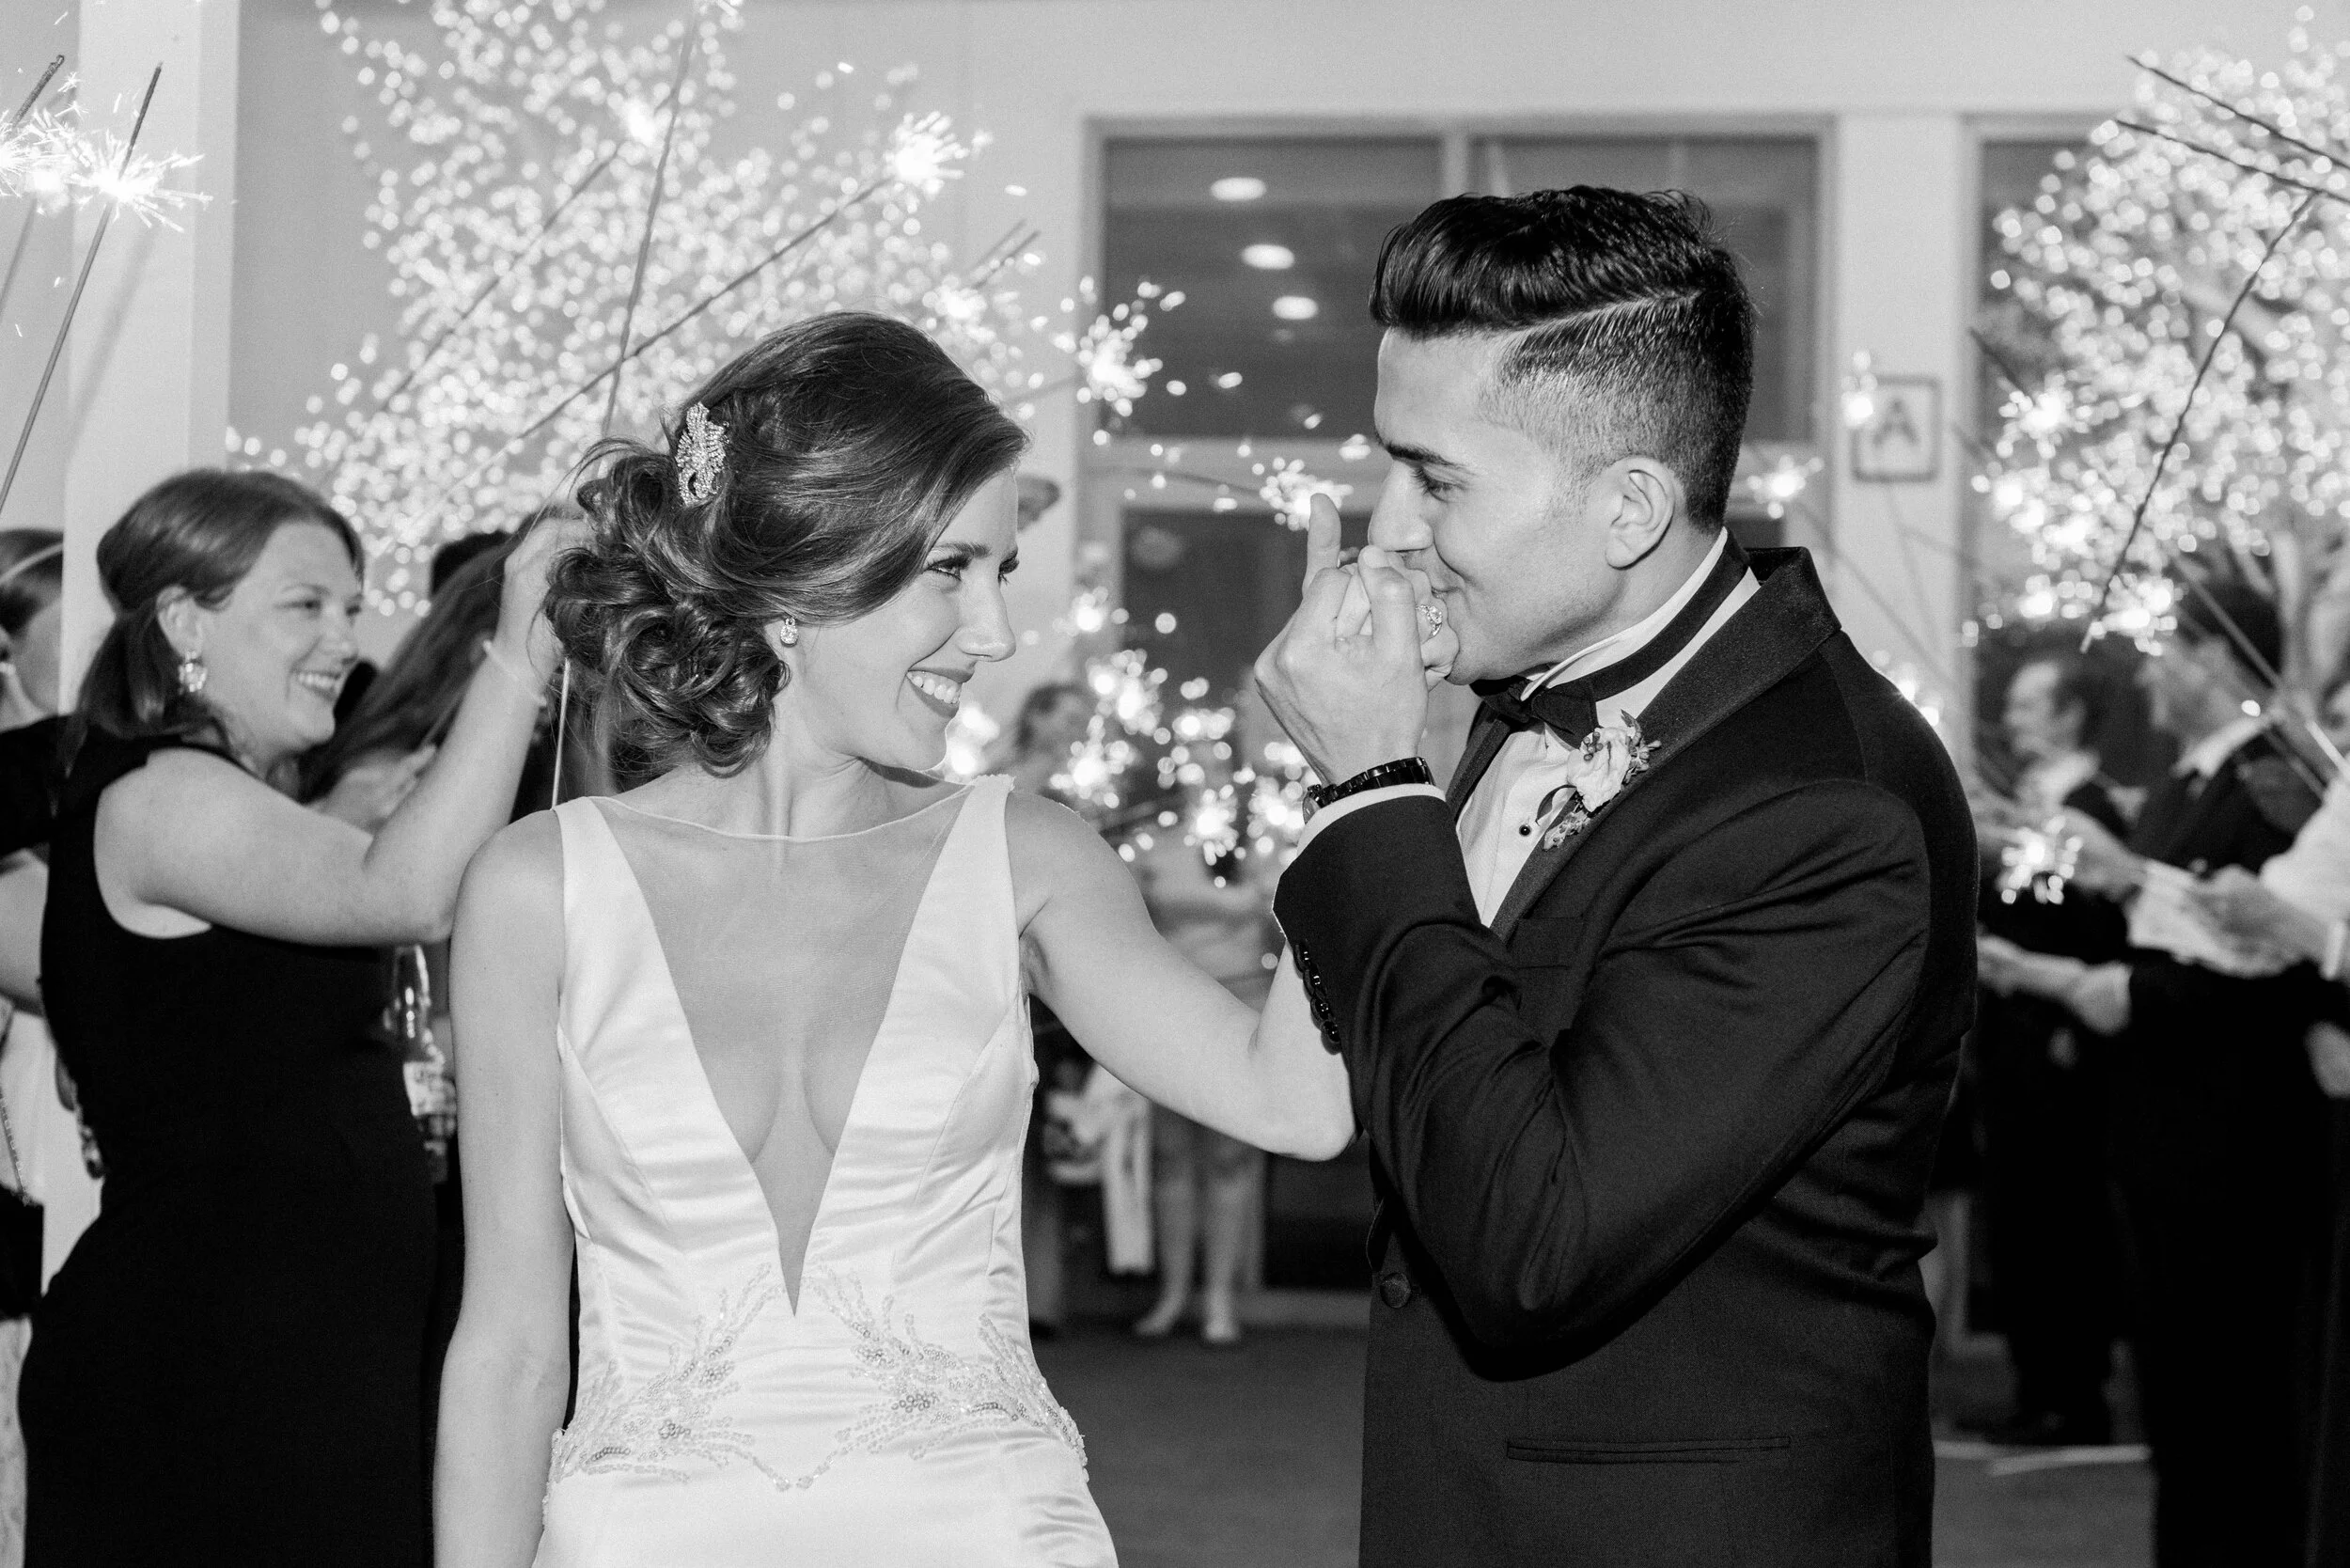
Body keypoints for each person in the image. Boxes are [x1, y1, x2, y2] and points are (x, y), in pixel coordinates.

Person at [435, 313, 1355, 1568]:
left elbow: (1292, 1107)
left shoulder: (1029, 859)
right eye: (948, 573)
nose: (994, 633)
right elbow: (510, 1351)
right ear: (799, 585)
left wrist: (1352, 781)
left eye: (1000, 574)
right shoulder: (538, 889)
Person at [1252, 188, 1976, 1568]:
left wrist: (1370, 789)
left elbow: (1533, 1242)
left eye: (1439, 478)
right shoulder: (1523, 687)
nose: (1387, 524)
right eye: (1388, 465)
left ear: (1630, 507)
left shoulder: (1826, 809)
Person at [19, 469, 574, 1568]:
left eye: (352, 605)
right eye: (304, 604)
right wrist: (515, 649)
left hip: (293, 1372)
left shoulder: (239, 801)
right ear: (184, 621)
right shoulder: (156, 793)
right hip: (201, 1380)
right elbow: (406, 889)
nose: (343, 636)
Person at [1977, 582, 2323, 1568]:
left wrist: (2100, 958)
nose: (2148, 670)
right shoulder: (2181, 783)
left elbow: (2257, 963)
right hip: (2158, 1127)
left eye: (2169, 647)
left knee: (2236, 1403)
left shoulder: (2276, 781)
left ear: (2218, 662)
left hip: (2233, 1135)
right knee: (2180, 1403)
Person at [1966, 652, 2130, 1445]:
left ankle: (2073, 1393)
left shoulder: (2093, 810)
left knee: (2063, 1222)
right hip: (2013, 1046)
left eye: (2030, 703)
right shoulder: (2027, 814)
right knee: (2022, 1221)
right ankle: (2037, 1386)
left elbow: (2101, 936)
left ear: (2069, 716)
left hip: (2063, 1050)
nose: (2013, 715)